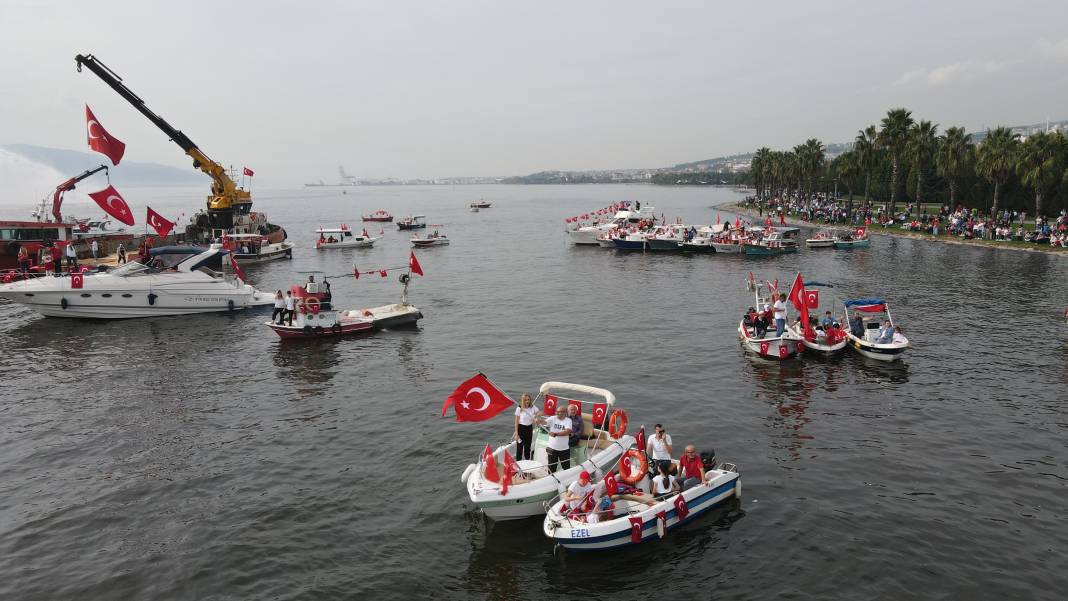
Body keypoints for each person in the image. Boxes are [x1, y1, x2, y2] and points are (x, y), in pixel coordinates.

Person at [544, 405, 573, 472]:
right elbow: (544, 422)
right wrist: (539, 420)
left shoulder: (568, 421)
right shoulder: (552, 418)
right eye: (557, 411)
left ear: (564, 413)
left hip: (564, 450)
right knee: (551, 469)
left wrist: (556, 434)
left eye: (559, 412)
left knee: (566, 468)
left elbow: (568, 431)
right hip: (552, 449)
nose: (557, 413)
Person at [512, 393, 540, 461]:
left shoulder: (533, 407)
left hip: (529, 428)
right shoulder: (519, 408)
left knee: (528, 446)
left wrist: (536, 416)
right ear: (523, 400)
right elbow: (516, 421)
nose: (527, 401)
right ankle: (518, 462)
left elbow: (539, 413)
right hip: (521, 428)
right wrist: (516, 432)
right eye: (525, 400)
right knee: (520, 447)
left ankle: (527, 461)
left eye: (528, 399)